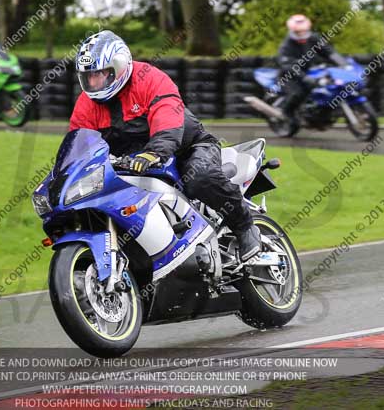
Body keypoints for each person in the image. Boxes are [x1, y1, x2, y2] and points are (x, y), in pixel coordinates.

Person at [68, 30, 261, 261]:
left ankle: (244, 226)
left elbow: (167, 116)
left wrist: (154, 152)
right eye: (88, 77)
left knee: (200, 177)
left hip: (187, 147)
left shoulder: (148, 78)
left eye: (100, 75)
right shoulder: (86, 104)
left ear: (118, 66)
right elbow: (78, 144)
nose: (93, 82)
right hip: (133, 163)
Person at [275, 14, 346, 125]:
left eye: (304, 31)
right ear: (293, 31)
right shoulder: (286, 46)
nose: (302, 34)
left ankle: (320, 113)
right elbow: (287, 66)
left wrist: (343, 64)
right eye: (299, 32)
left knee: (328, 87)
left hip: (309, 72)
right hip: (288, 76)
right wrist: (304, 77)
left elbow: (329, 51)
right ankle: (286, 113)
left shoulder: (313, 38)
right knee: (297, 93)